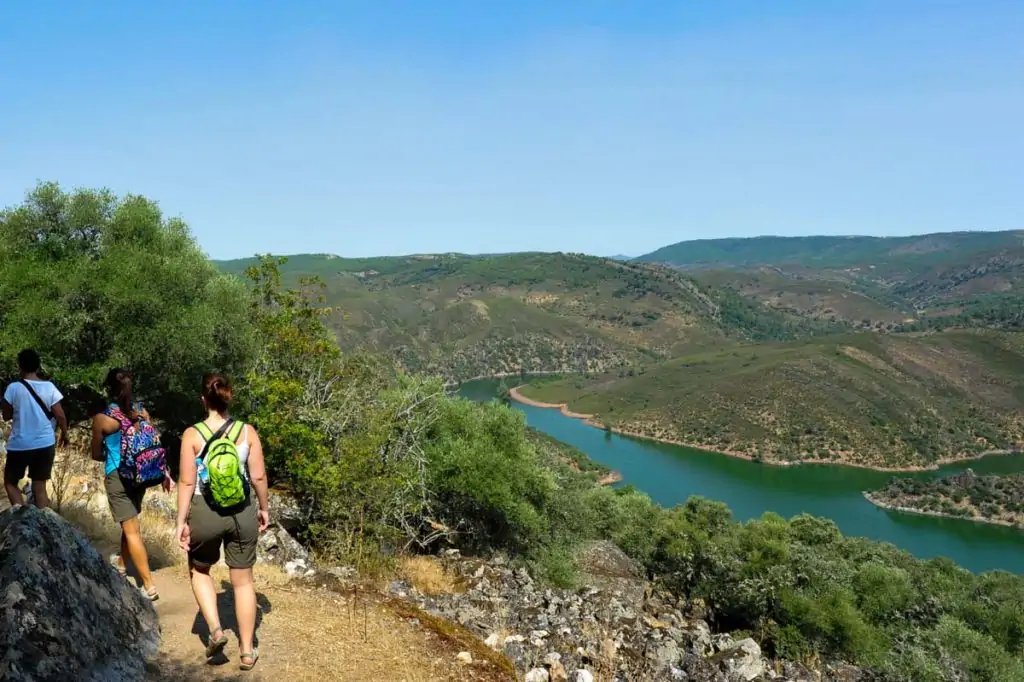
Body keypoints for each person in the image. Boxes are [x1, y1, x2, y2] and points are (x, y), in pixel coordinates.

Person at [176, 373, 269, 671]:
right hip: (241, 512)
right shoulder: (247, 432)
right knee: (242, 582)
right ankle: (246, 651)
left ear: (203, 400)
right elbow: (257, 476)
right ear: (229, 398)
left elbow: (187, 483)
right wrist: (263, 508)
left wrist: (181, 521)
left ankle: (215, 630)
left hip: (206, 511)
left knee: (200, 569)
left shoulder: (192, 434)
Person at [91, 368, 170, 601]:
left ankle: (149, 585)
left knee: (132, 529)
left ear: (108, 388)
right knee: (130, 523)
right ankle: (123, 565)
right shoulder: (141, 413)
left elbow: (96, 454)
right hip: (140, 475)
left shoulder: (103, 419)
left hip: (118, 476)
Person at [1, 349, 70, 509]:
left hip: (20, 444)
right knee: (39, 486)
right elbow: (60, 415)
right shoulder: (50, 387)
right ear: (38, 366)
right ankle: (42, 523)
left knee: (10, 482)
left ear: (20, 366)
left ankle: (20, 514)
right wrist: (65, 435)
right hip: (44, 444)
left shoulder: (13, 388)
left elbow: (6, 416)